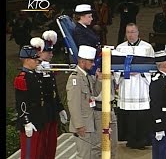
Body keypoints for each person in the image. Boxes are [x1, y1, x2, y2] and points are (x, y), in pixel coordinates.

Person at [114, 23, 155, 149]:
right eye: (128, 32)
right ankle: (131, 140)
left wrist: (141, 71)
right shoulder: (120, 49)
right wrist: (123, 73)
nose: (131, 35)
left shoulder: (147, 48)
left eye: (133, 32)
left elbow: (153, 66)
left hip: (141, 85)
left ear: (138, 33)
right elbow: (115, 68)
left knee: (142, 114)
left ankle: (143, 140)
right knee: (129, 115)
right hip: (127, 85)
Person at [29, 31, 68, 159]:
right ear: (40, 53)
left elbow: (54, 90)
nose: (51, 54)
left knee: (51, 145)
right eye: (48, 52)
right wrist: (41, 74)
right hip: (40, 113)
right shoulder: (35, 70)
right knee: (41, 146)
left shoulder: (47, 67)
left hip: (51, 111)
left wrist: (60, 107)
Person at [66, 45, 102, 159]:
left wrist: (99, 80)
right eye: (90, 61)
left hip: (90, 123)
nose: (92, 64)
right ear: (82, 61)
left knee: (91, 154)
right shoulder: (75, 79)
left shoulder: (86, 76)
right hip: (83, 124)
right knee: (84, 155)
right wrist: (79, 125)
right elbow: (73, 104)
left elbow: (94, 94)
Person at [14, 45, 46, 159]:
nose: (37, 61)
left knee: (38, 152)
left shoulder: (35, 75)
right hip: (30, 120)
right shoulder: (22, 78)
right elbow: (21, 103)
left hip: (38, 118)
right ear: (27, 60)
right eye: (34, 59)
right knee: (29, 153)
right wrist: (26, 121)